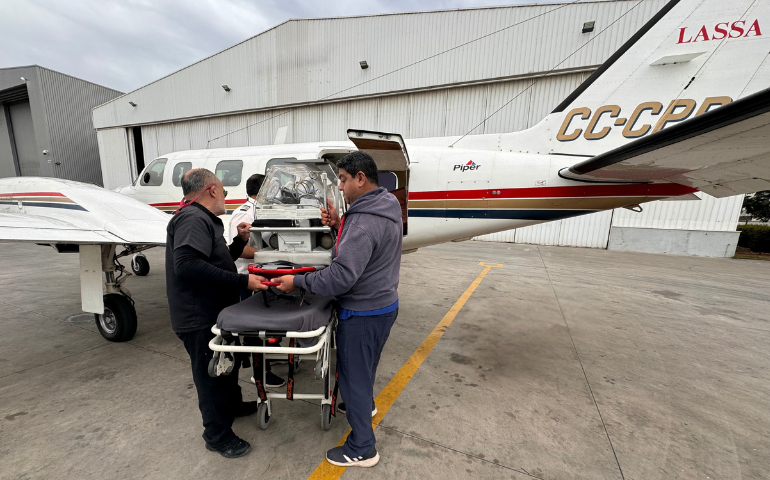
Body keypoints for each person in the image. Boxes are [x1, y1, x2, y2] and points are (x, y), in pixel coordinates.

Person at [274, 151, 402, 468]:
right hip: (385, 304)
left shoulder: (362, 223)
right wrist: (337, 225)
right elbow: (363, 254)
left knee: (351, 378)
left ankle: (362, 447)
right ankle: (365, 405)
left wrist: (298, 281)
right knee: (365, 367)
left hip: (362, 312)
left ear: (361, 178)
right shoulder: (387, 206)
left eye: (343, 180)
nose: (341, 188)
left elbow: (342, 277)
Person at [165, 168, 268, 459]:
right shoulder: (193, 219)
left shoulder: (203, 221)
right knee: (210, 375)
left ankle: (232, 406)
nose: (225, 196)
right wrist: (242, 281)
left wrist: (237, 242)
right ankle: (217, 435)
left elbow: (214, 262)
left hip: (214, 312)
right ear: (211, 190)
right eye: (223, 189)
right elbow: (186, 265)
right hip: (197, 316)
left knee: (226, 364)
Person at [226, 173, 286, 388]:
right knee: (254, 327)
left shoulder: (265, 209)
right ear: (264, 190)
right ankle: (259, 372)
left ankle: (270, 355)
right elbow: (240, 250)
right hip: (246, 278)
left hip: (266, 275)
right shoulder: (244, 214)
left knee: (269, 321)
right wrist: (273, 254)